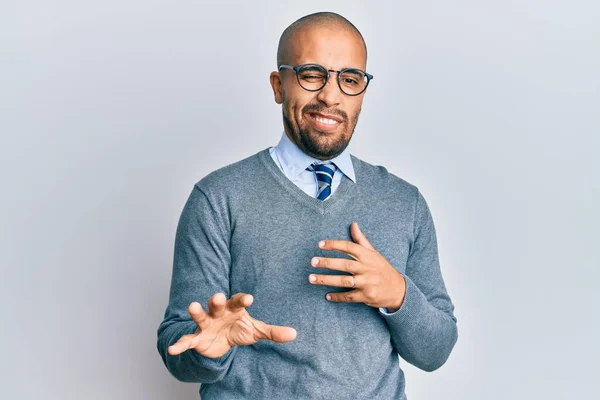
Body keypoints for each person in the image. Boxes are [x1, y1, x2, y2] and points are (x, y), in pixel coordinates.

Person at [157, 11, 458, 400]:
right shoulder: (218, 198)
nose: (331, 96)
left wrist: (398, 294)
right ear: (278, 85)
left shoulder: (405, 203)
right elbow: (179, 345)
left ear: (362, 92)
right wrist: (207, 350)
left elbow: (436, 351)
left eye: (350, 79)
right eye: (312, 74)